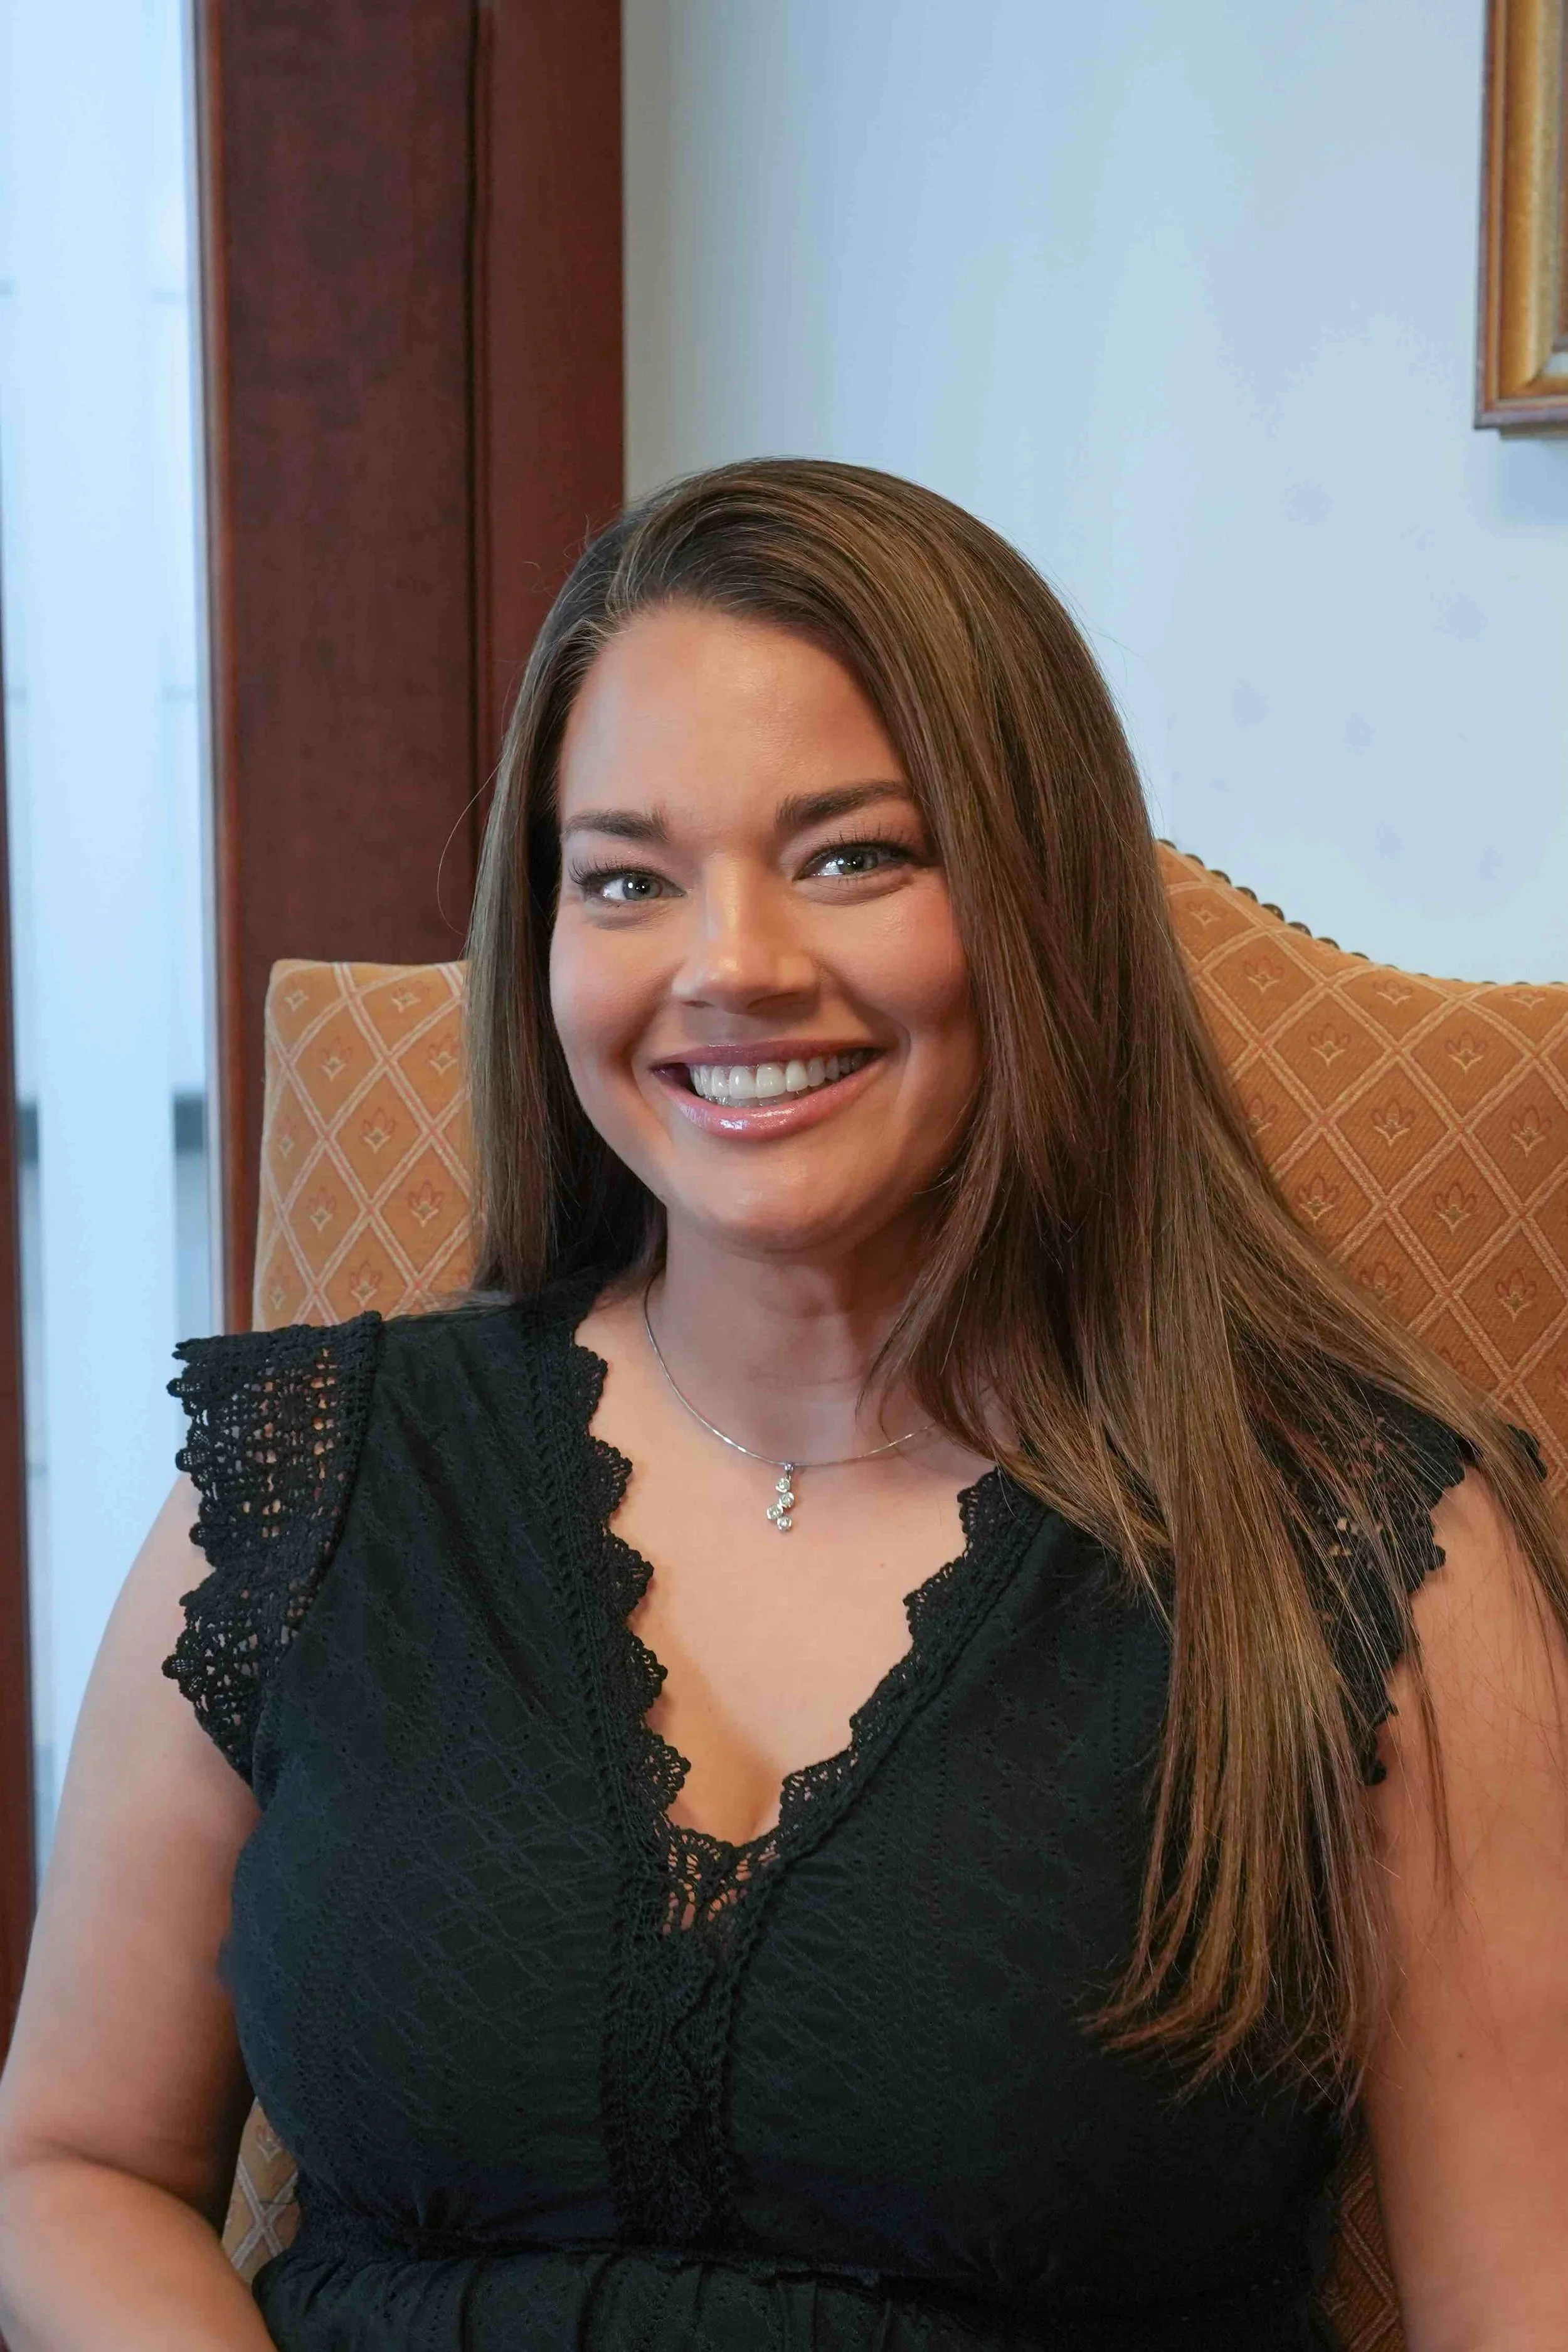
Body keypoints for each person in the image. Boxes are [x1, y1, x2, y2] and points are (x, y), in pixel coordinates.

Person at [0, 459, 1564, 2351]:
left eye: (850, 857)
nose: (730, 966)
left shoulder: (1368, 1558)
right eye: (626, 879)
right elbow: (71, 2161)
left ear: (1043, 905)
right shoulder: (310, 1482)